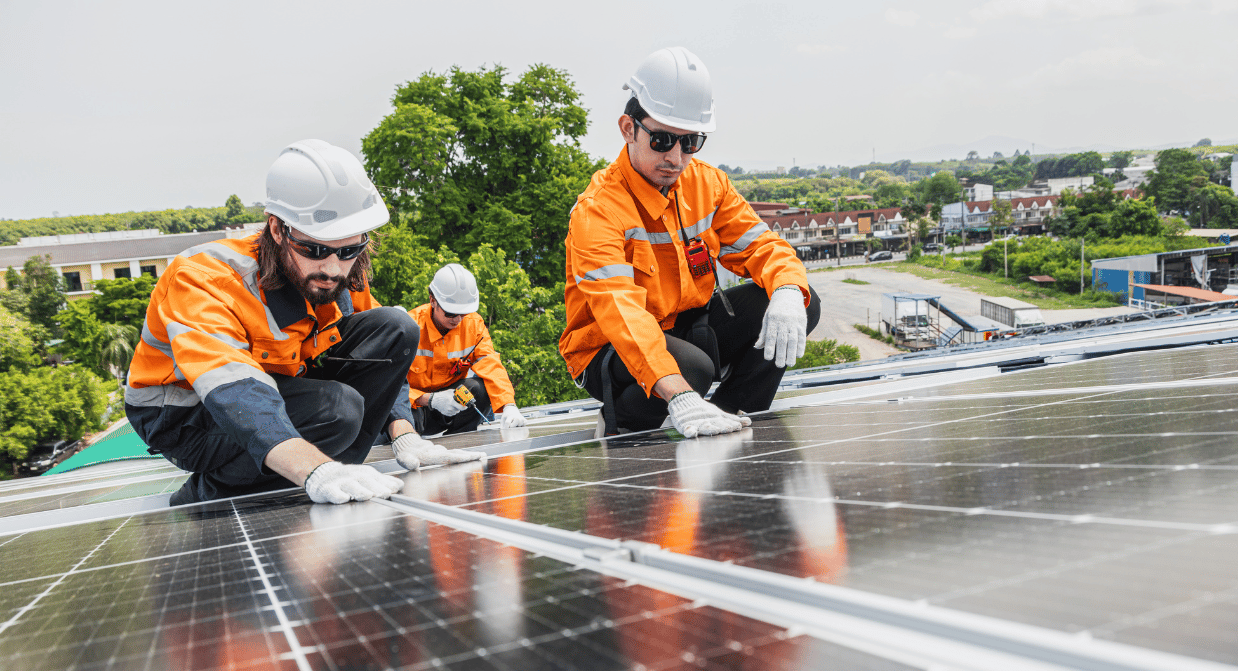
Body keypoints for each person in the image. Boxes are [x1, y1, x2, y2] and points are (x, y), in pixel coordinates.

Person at [125, 139, 482, 507]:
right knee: (337, 411)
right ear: (278, 229)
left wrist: (405, 434)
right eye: (313, 249)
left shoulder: (341, 274)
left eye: (347, 251)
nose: (331, 268)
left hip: (276, 382)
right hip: (184, 411)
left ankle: (341, 471)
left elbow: (383, 354)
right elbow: (233, 387)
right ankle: (214, 493)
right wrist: (312, 470)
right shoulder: (205, 278)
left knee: (396, 327)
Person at [559, 47, 821, 438]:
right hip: (608, 346)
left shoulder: (708, 184)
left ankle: (728, 415)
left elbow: (762, 248)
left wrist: (786, 288)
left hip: (686, 324)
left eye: (691, 142)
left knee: (802, 301)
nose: (677, 158)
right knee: (691, 369)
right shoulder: (598, 211)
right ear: (628, 128)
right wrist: (679, 394)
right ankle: (627, 427)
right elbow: (620, 312)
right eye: (662, 139)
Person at [406, 264, 527, 435]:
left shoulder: (473, 325)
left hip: (452, 407)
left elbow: (490, 364)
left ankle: (459, 438)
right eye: (450, 313)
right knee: (393, 410)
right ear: (433, 301)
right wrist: (429, 399)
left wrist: (509, 405)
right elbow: (391, 386)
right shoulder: (409, 328)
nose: (457, 320)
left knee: (479, 389)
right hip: (413, 410)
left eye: (463, 313)